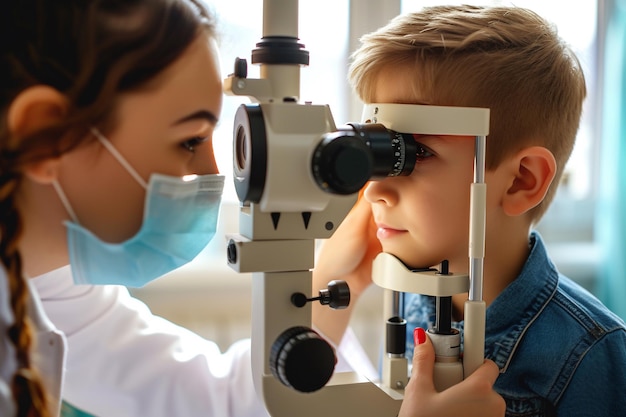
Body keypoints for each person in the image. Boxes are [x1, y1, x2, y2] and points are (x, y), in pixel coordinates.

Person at [0, 1, 507, 416]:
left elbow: (208, 400)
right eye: (189, 139)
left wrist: (335, 284)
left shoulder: (46, 284)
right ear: (49, 134)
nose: (214, 172)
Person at [313, 4, 626, 417]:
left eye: (413, 152)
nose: (374, 190)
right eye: (379, 151)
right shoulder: (411, 300)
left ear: (521, 180)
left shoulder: (593, 354)